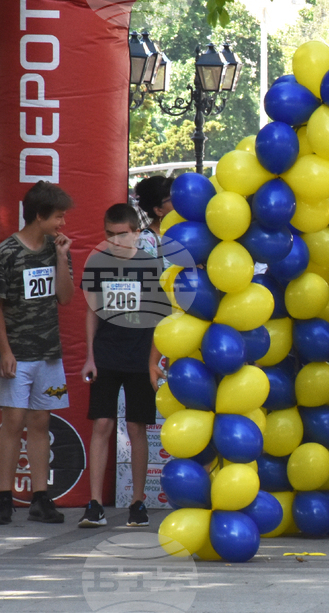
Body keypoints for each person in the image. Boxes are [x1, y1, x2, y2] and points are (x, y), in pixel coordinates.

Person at [78, 204, 167, 528]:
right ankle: (94, 505)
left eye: (122, 235)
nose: (115, 241)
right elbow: (92, 311)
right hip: (106, 354)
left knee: (136, 427)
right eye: (110, 235)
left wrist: (154, 361)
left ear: (137, 234)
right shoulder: (98, 262)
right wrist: (89, 356)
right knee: (102, 424)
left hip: (140, 356)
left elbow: (160, 318)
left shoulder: (151, 266)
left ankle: (137, 502)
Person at [0, 181, 74, 525]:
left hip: (49, 355)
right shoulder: (6, 252)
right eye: (58, 216)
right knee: (13, 422)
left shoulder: (57, 249)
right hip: (16, 354)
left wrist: (60, 257)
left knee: (41, 422)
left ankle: (41, 498)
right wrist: (5, 351)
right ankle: (4, 496)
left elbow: (65, 298)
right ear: (39, 216)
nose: (63, 223)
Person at [133, 176, 174, 261]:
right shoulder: (146, 241)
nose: (180, 202)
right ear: (158, 210)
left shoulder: (181, 231)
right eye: (173, 199)